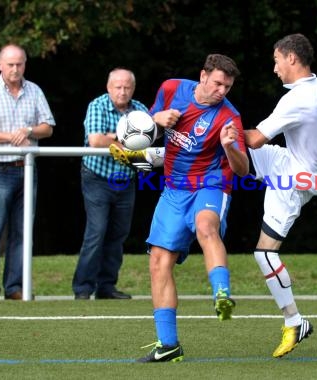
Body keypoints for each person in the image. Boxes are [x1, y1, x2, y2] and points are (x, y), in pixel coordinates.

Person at [109, 54, 248, 362]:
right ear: (202, 76)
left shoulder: (229, 117)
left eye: (228, 86)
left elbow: (242, 169)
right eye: (217, 84)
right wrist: (156, 120)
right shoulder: (171, 89)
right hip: (174, 189)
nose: (222, 91)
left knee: (205, 227)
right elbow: (150, 126)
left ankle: (221, 294)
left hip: (211, 185)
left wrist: (229, 146)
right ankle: (168, 345)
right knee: (158, 262)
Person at [244, 33, 317, 358]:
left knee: (265, 255)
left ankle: (295, 321)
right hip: (291, 164)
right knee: (223, 155)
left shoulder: (296, 100)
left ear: (292, 59)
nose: (275, 68)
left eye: (276, 60)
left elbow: (255, 139)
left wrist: (226, 127)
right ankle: (154, 157)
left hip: (294, 179)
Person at [0, 44, 55, 301]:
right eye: (10, 64)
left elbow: (48, 127)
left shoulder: (35, 91)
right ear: (0, 65)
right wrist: (11, 137)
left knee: (22, 233)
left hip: (27, 169)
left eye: (19, 64)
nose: (15, 69)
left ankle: (14, 288)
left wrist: (28, 131)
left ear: (25, 65)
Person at [72, 68, 149, 300]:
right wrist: (127, 138)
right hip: (97, 177)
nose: (122, 92)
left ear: (133, 89)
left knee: (118, 235)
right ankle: (83, 289)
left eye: (127, 87)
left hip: (125, 180)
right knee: (96, 232)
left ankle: (106, 287)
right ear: (109, 87)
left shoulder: (141, 109)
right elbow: (95, 140)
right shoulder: (97, 105)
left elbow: (148, 141)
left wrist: (113, 137)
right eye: (118, 87)